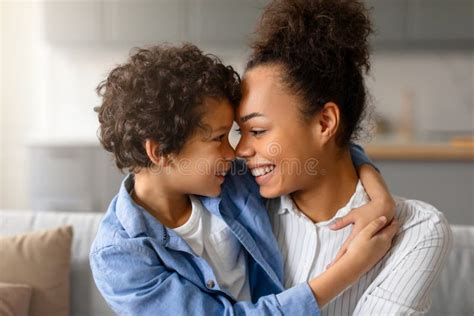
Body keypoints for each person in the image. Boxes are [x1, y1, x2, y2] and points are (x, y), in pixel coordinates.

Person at [90, 44, 398, 315]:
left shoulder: (231, 182)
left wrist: (379, 195)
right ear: (160, 152)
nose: (234, 151)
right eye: (219, 138)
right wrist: (349, 269)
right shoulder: (119, 255)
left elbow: (320, 151)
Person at [235, 0, 453, 314]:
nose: (240, 150)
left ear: (324, 123)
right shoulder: (240, 211)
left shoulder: (417, 230)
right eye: (238, 132)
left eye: (257, 131)